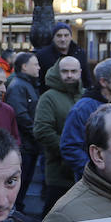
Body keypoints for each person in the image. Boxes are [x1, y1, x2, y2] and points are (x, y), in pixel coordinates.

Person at [60, 58, 111, 181]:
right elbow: (69, 147)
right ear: (103, 82)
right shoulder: (83, 108)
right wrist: (96, 171)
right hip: (95, 182)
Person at [32, 57, 82, 211]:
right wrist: (70, 151)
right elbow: (42, 130)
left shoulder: (85, 95)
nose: (69, 75)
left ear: (80, 73)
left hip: (83, 171)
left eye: (73, 71)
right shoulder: (49, 97)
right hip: (58, 172)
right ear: (57, 73)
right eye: (65, 71)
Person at [5, 52, 41, 213]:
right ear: (25, 67)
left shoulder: (29, 84)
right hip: (24, 144)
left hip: (30, 144)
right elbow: (20, 115)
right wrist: (36, 133)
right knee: (21, 181)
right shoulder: (18, 85)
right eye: (35, 64)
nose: (39, 67)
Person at [34, 23, 88, 92]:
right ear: (53, 37)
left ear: (71, 37)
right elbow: (40, 81)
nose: (63, 39)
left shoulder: (80, 53)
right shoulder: (42, 55)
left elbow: (86, 78)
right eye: (59, 36)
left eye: (66, 35)